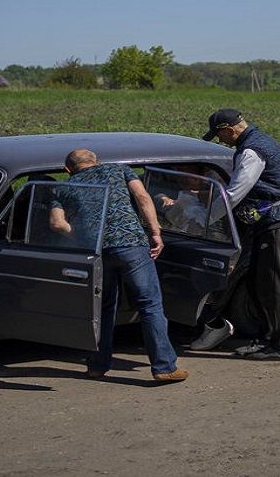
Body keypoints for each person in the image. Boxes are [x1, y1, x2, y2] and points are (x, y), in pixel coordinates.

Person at [49, 149, 188, 383]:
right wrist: (155, 232)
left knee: (102, 308)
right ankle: (164, 366)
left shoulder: (62, 187)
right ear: (96, 161)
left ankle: (97, 365)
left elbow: (57, 224)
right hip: (131, 244)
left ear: (67, 170)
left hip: (97, 252)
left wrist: (82, 236)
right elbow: (143, 197)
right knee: (150, 304)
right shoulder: (118, 169)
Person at [202, 108, 280, 360]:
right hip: (268, 222)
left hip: (275, 223)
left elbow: (235, 192)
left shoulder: (251, 151)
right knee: (259, 284)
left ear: (229, 130)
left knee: (273, 286)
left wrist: (207, 218)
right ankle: (265, 340)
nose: (221, 140)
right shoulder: (258, 142)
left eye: (220, 135)